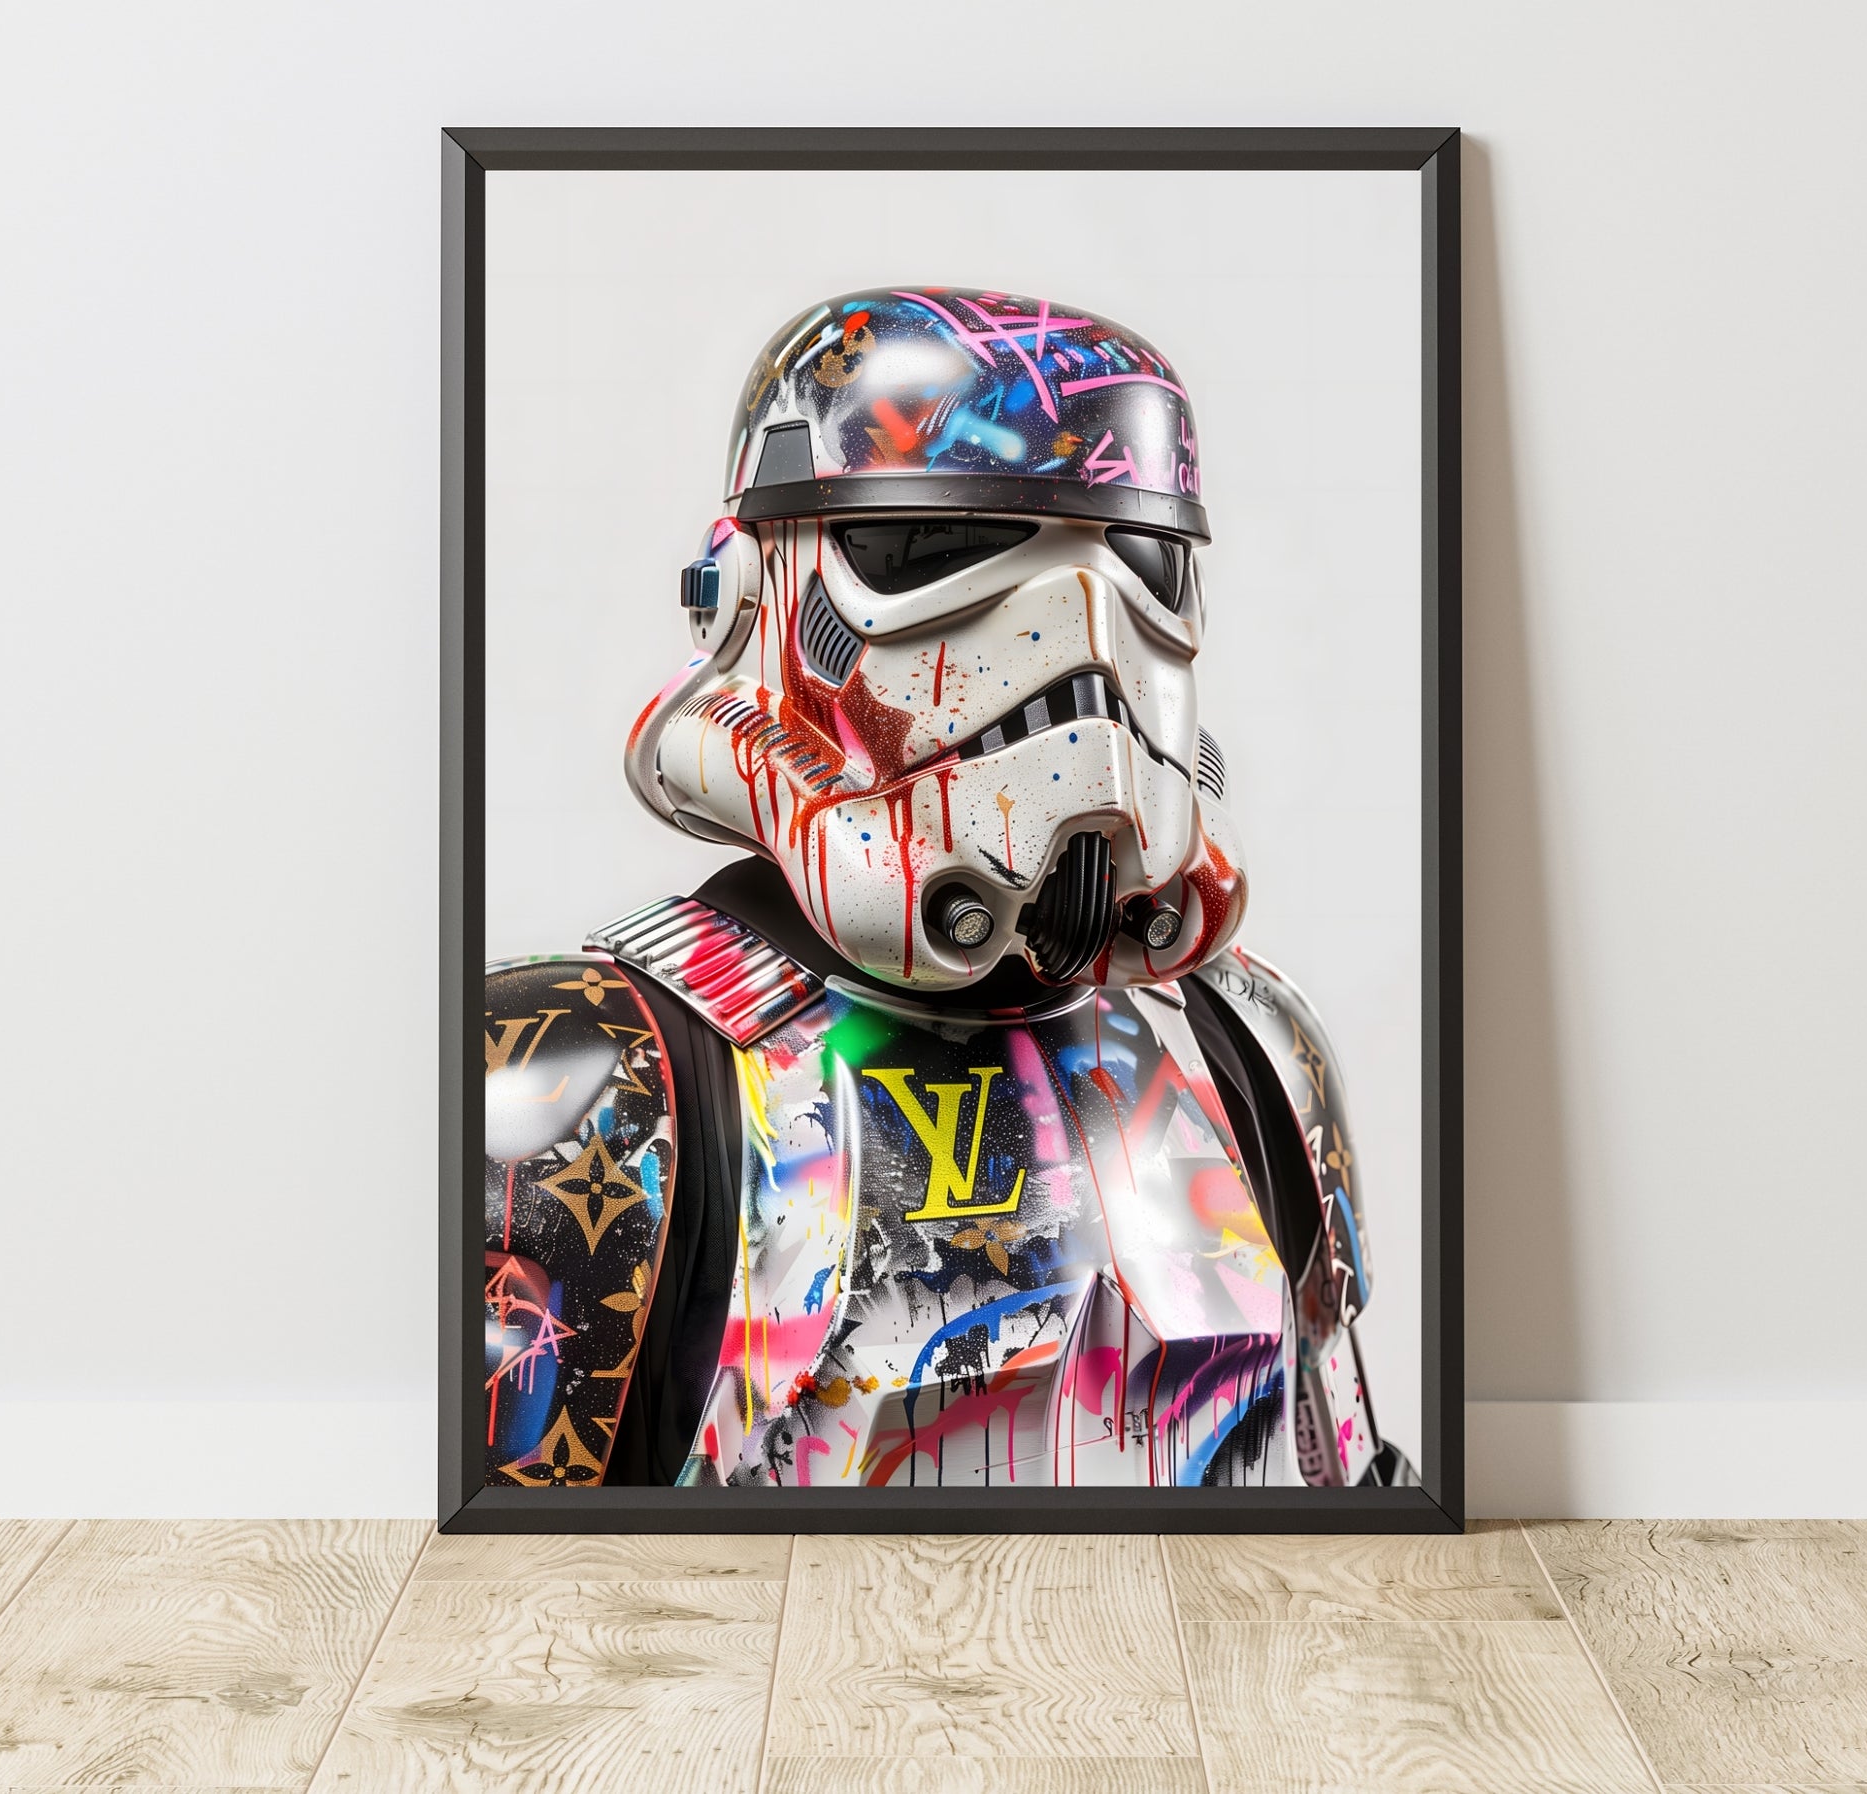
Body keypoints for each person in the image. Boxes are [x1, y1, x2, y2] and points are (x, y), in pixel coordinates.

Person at [482, 288, 1413, 1491]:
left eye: (1139, 558)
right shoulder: (579, 1082)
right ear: (756, 595)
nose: (1083, 637)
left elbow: (1347, 1515)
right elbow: (518, 1590)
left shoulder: (1254, 1045)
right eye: (941, 545)